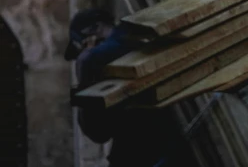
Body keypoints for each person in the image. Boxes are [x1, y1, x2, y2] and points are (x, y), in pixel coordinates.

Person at [65, 9, 195, 167]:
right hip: (174, 145)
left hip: (142, 152)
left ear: (95, 29)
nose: (86, 50)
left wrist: (84, 68)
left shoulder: (94, 59)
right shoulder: (140, 37)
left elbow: (98, 132)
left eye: (84, 45)